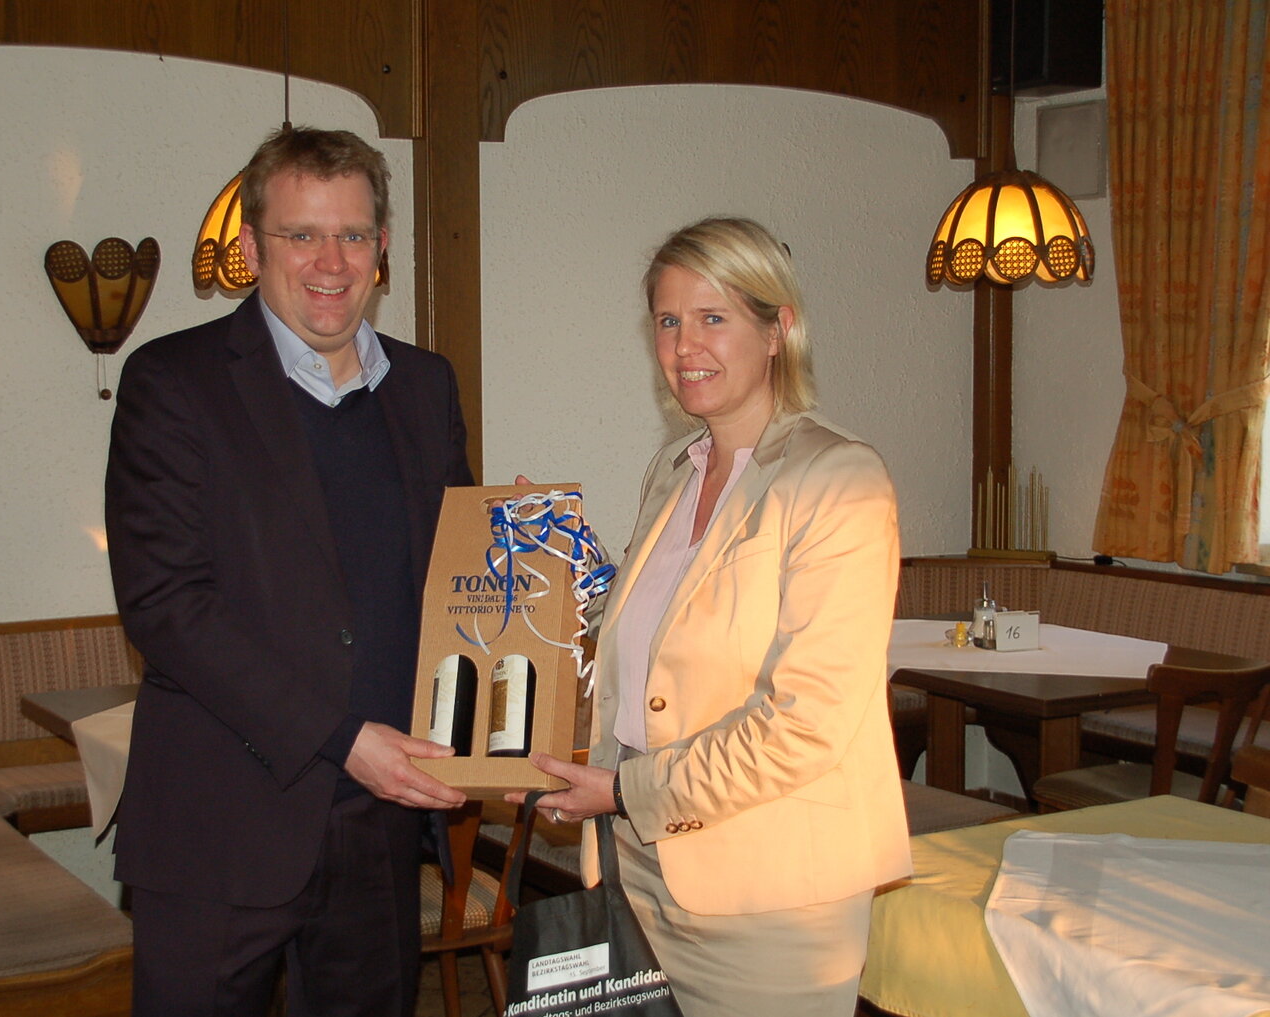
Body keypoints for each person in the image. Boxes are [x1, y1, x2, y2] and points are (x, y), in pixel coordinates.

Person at [105, 125, 474, 1017]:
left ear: (382, 247)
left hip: (380, 820)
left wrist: (516, 546)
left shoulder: (425, 385)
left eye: (352, 234)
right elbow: (166, 605)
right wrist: (340, 738)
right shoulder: (174, 381)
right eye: (301, 234)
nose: (330, 261)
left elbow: (452, 582)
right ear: (251, 248)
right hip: (221, 822)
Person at [514, 217, 912, 1017]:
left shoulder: (839, 478)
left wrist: (623, 790)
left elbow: (806, 723)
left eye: (712, 317)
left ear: (777, 328)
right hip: (637, 867)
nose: (684, 345)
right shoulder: (674, 469)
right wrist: (553, 556)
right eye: (668, 320)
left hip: (773, 895)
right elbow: (655, 649)